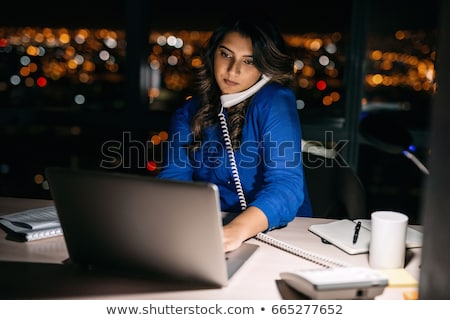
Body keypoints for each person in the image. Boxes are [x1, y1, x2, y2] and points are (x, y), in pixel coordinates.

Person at [157, 11, 312, 252]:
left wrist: (235, 231)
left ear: (265, 68)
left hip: (280, 234)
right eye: (225, 54)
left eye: (248, 61)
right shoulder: (188, 112)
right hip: (211, 231)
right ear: (213, 55)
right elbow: (174, 179)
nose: (232, 70)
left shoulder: (275, 101)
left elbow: (286, 185)